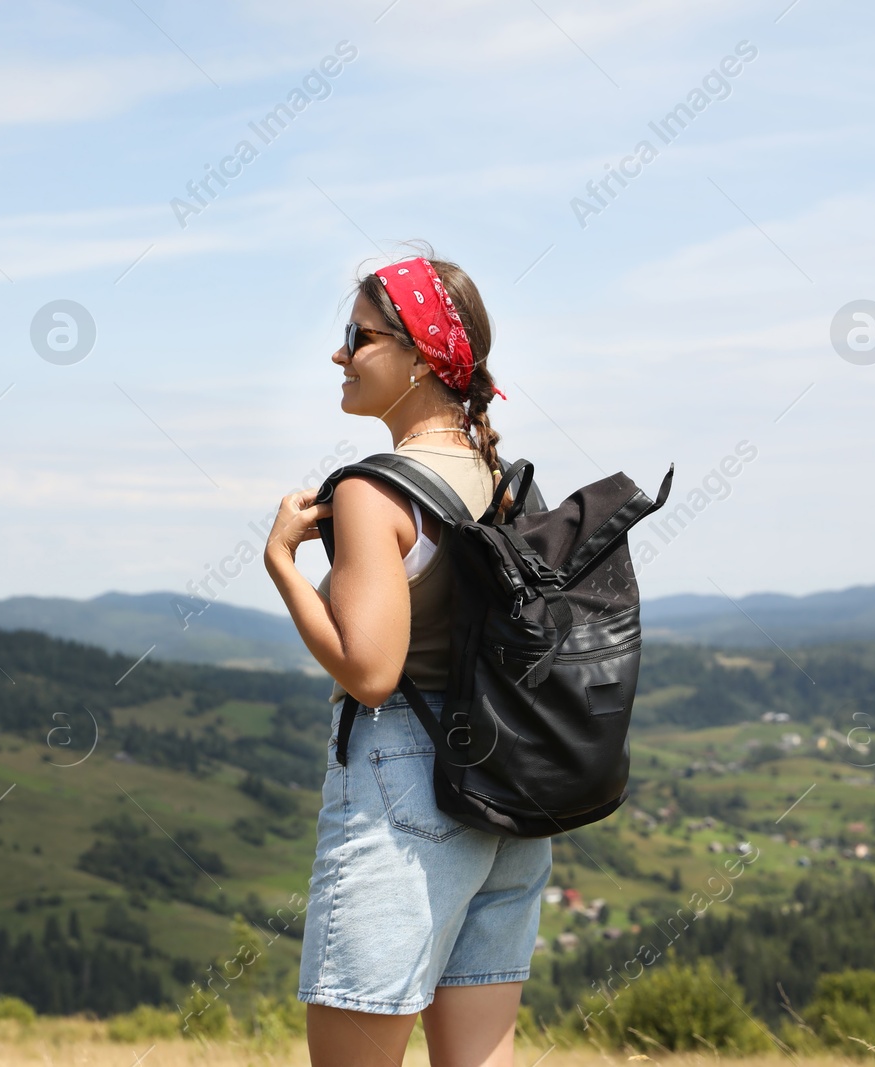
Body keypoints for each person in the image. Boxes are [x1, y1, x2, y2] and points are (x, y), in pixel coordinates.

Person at [264, 252, 553, 1067]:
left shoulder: (370, 491)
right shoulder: (496, 474)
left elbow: (370, 670)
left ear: (419, 356)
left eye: (356, 336)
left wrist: (284, 564)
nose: (339, 355)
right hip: (508, 792)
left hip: (406, 783)